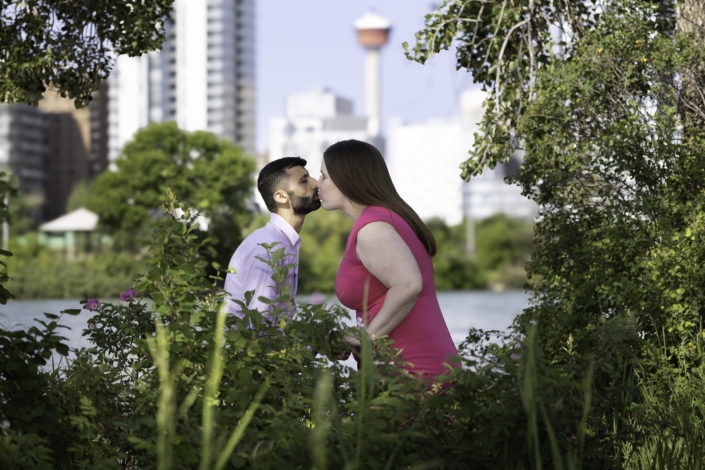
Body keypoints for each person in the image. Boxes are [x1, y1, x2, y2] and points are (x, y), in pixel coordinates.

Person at [317, 139, 459, 381]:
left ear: (346, 179)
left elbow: (408, 285)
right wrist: (353, 336)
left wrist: (364, 338)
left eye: (324, 177)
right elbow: (383, 301)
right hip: (411, 370)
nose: (317, 184)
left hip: (413, 373)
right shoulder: (384, 218)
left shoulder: (373, 229)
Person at [224, 157, 320, 321]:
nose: (316, 183)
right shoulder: (269, 247)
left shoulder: (282, 240)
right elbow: (259, 323)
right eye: (304, 181)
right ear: (281, 197)